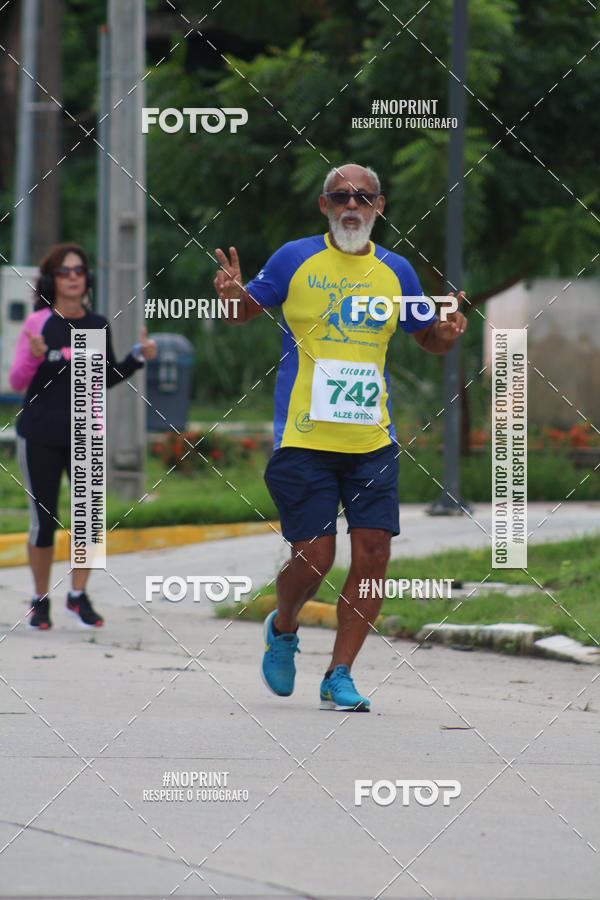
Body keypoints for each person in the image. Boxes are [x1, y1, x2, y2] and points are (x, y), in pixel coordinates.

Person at [214, 164, 466, 712]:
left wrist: (446, 333)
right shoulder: (294, 259)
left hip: (372, 442)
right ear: (324, 206)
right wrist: (231, 295)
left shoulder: (397, 271)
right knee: (315, 558)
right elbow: (241, 313)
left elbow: (429, 338)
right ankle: (283, 625)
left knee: (373, 556)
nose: (352, 205)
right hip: (303, 439)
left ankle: (339, 673)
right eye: (341, 197)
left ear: (380, 206)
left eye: (364, 197)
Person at [9, 243, 157, 630]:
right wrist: (34, 355)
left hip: (84, 433)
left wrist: (137, 357)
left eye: (79, 271)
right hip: (39, 433)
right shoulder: (39, 322)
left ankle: (77, 596)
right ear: (52, 280)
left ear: (87, 279)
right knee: (44, 521)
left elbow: (103, 377)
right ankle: (40, 600)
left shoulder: (97, 324)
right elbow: (17, 381)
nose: (73, 277)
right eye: (64, 271)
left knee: (88, 520)